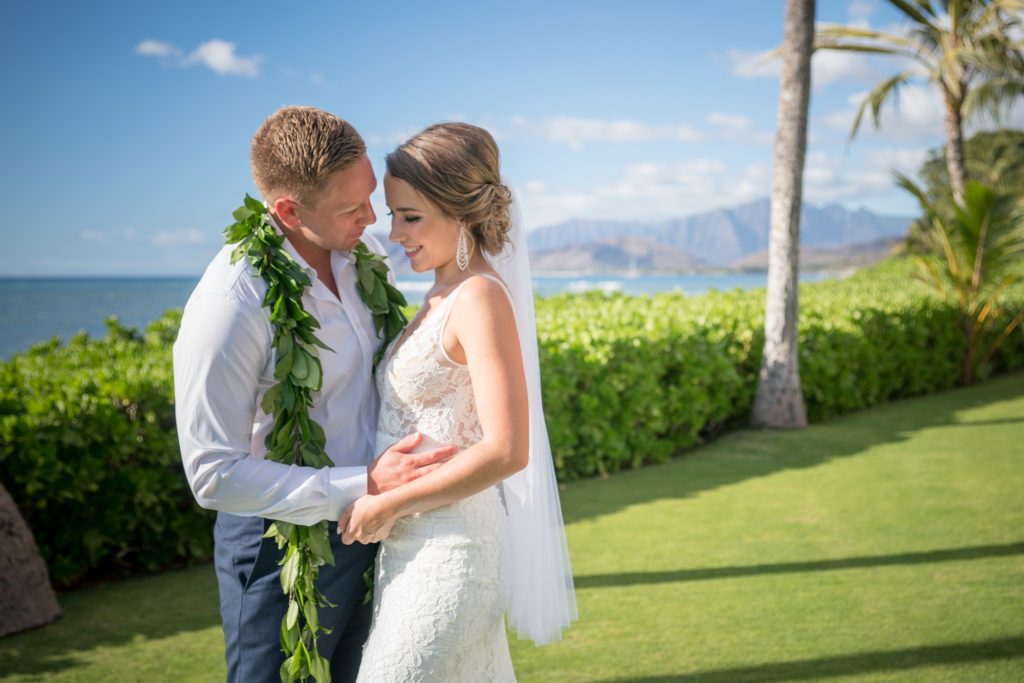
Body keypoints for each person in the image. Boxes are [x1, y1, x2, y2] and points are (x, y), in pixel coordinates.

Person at [172, 106, 456, 683]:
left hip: (380, 524)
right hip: (280, 544)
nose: (372, 218)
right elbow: (212, 474)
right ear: (287, 211)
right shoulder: (230, 303)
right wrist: (363, 484)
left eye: (370, 197)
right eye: (352, 208)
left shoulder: (366, 257)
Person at [338, 123, 578, 682]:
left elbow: (507, 450)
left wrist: (389, 504)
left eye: (411, 216)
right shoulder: (439, 294)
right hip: (409, 554)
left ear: (461, 212)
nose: (394, 232)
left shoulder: (480, 298)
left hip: (455, 555)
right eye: (393, 214)